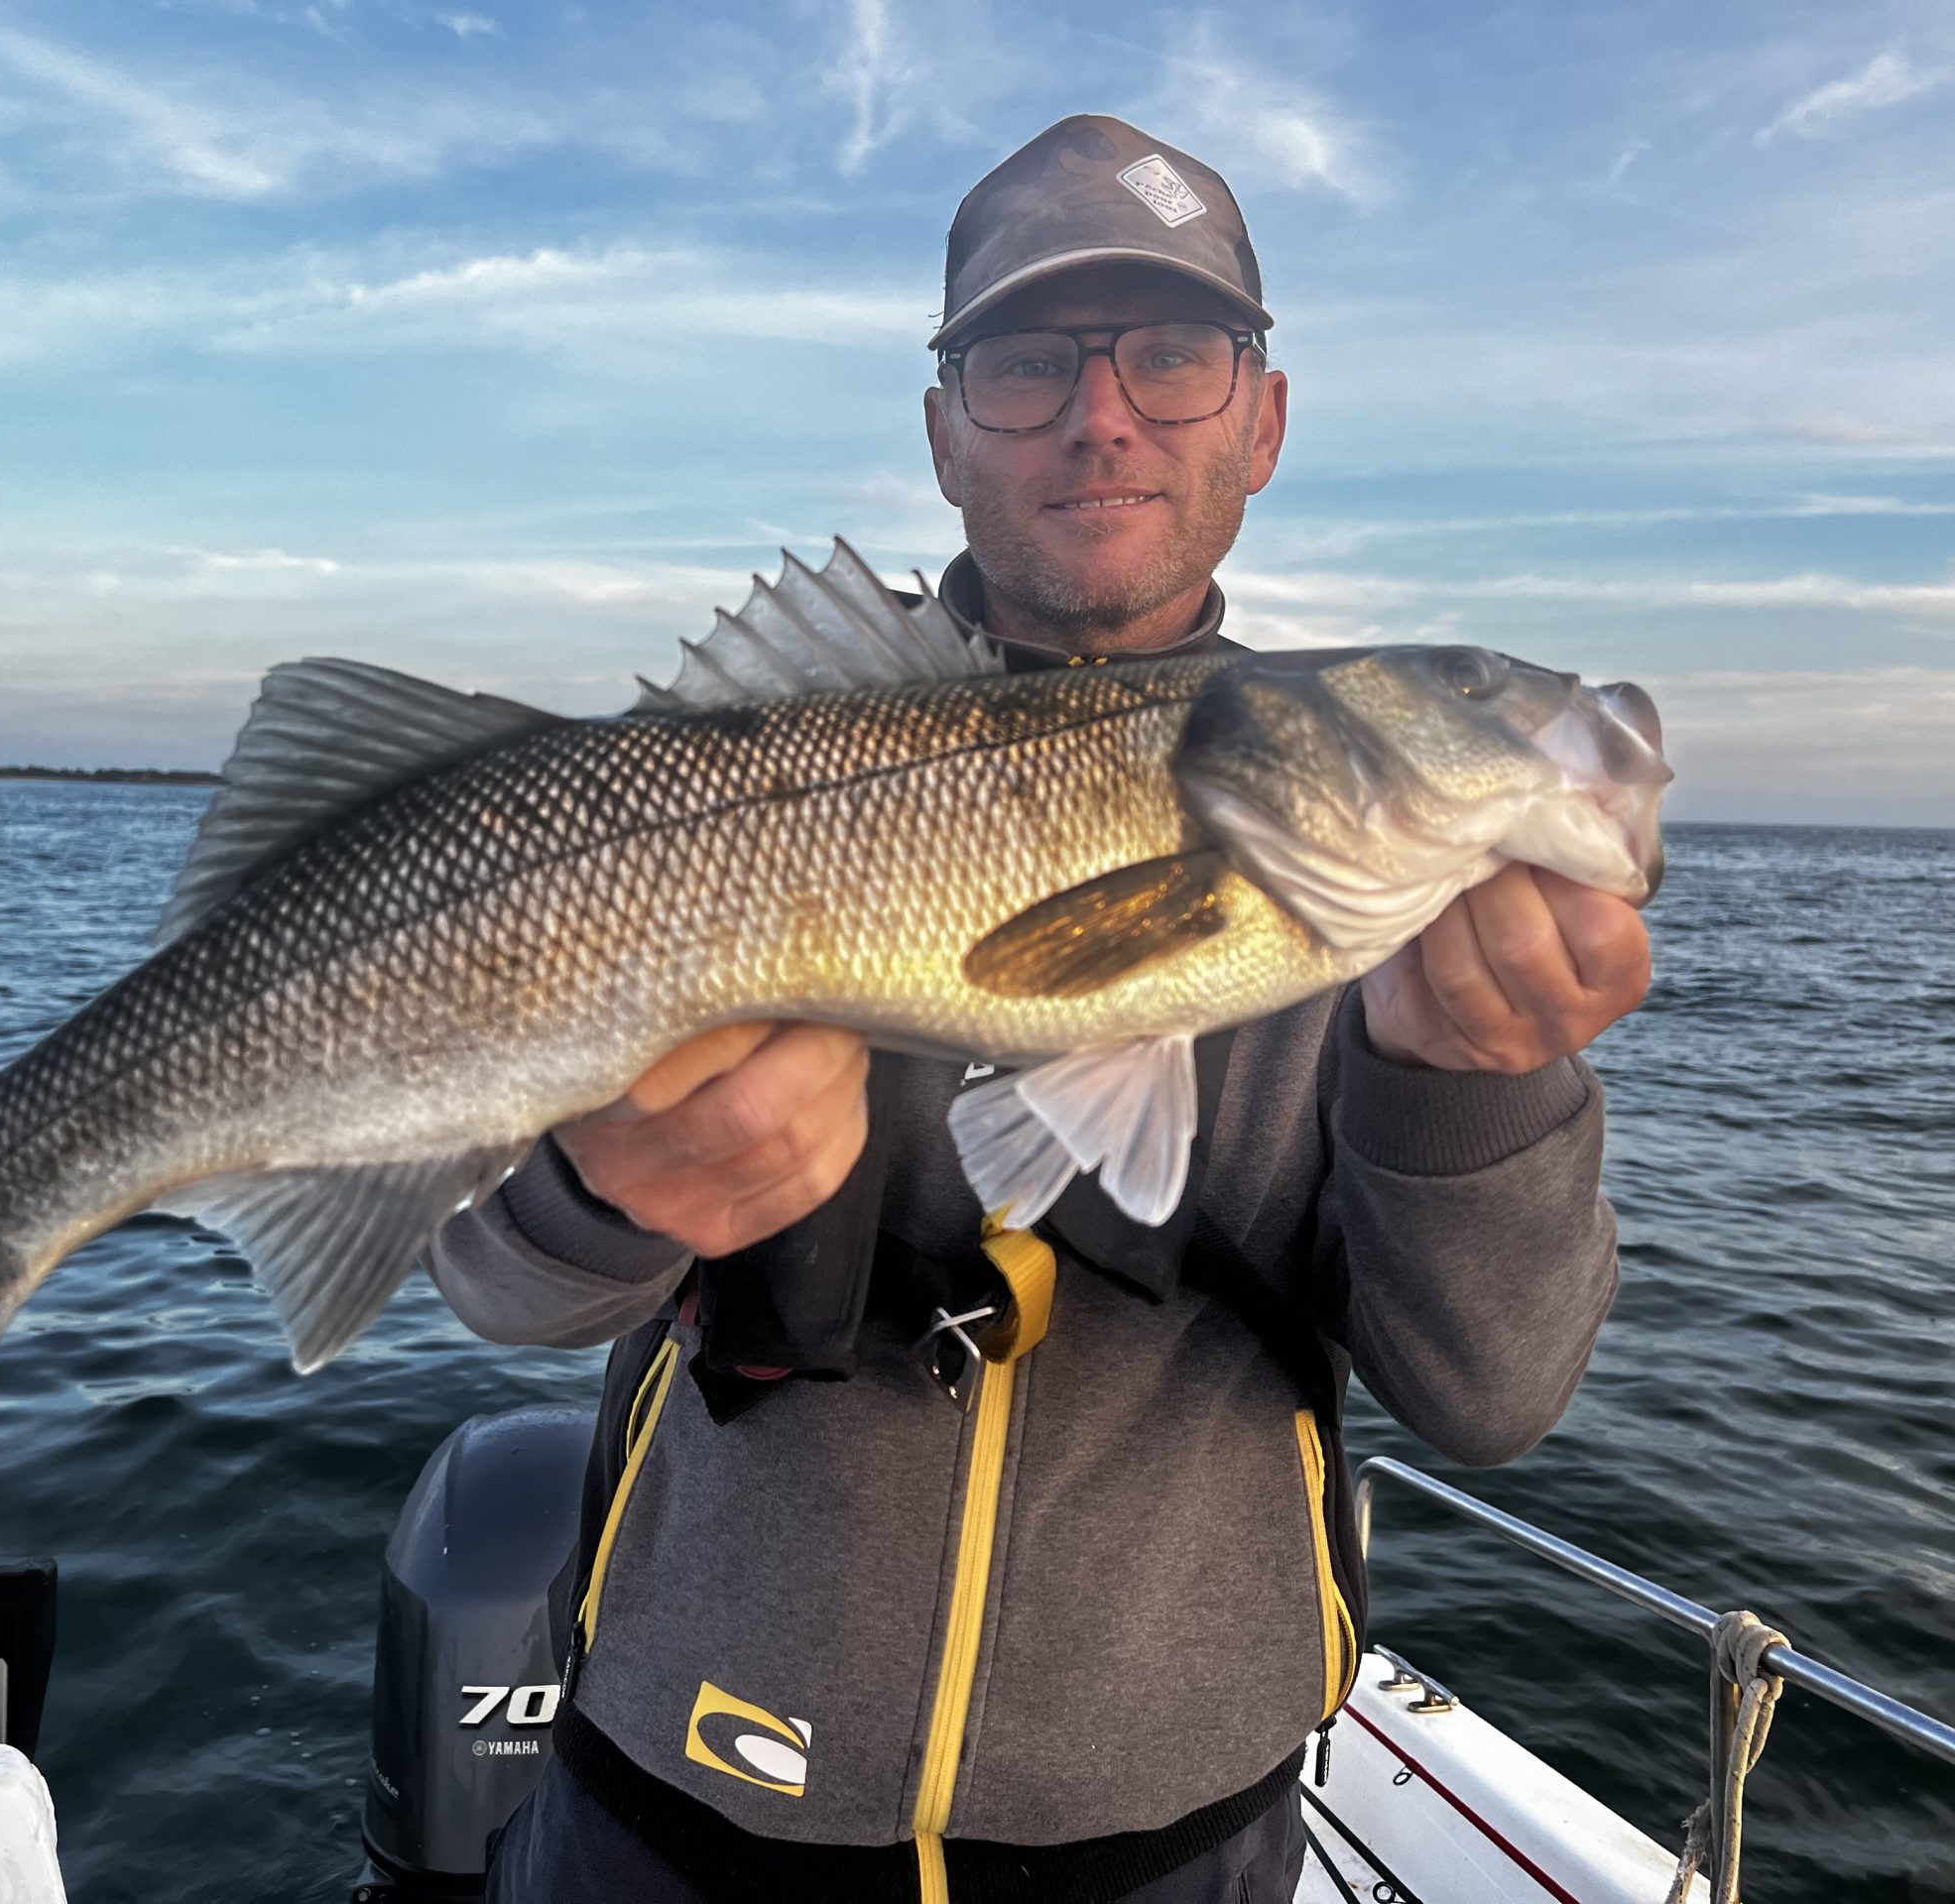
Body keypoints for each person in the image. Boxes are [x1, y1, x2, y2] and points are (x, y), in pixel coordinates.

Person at [438, 113, 1650, 1904]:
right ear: (943, 434)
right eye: (1024, 364)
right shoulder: (719, 782)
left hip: (1173, 1847)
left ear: (1264, 419)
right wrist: (608, 1196)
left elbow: (1491, 1399)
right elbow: (490, 1283)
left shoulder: (1379, 886)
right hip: (669, 1801)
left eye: (1174, 354)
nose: (1104, 416)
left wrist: (1467, 1088)